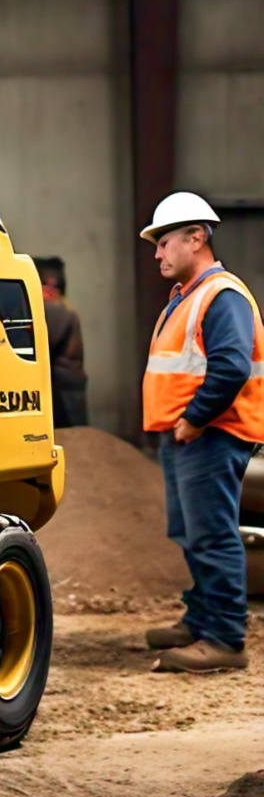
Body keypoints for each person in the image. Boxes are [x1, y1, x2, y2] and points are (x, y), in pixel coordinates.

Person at [141, 192, 263, 673]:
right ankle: (202, 618)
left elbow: (231, 366)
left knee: (212, 535)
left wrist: (193, 418)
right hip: (188, 436)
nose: (157, 253)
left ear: (196, 238)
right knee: (191, 532)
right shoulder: (189, 297)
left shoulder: (221, 295)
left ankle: (225, 639)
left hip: (210, 434)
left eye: (164, 241)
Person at [34, 256, 89, 428]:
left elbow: (41, 347)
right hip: (68, 387)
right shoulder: (63, 307)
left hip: (62, 390)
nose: (49, 290)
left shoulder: (53, 309)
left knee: (69, 442)